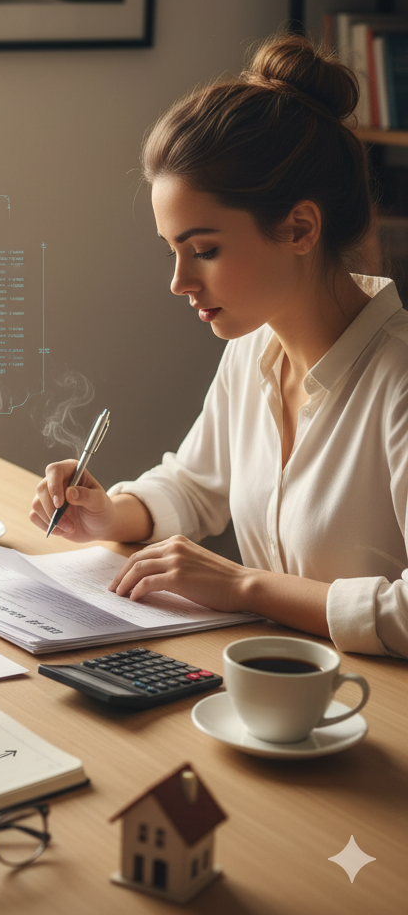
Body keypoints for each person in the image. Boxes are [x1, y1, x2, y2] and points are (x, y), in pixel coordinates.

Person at [29, 33, 408, 659]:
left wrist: (246, 586)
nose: (179, 283)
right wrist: (111, 514)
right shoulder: (254, 346)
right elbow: (196, 484)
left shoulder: (396, 381)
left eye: (204, 250)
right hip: (275, 689)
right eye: (172, 250)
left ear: (300, 228)